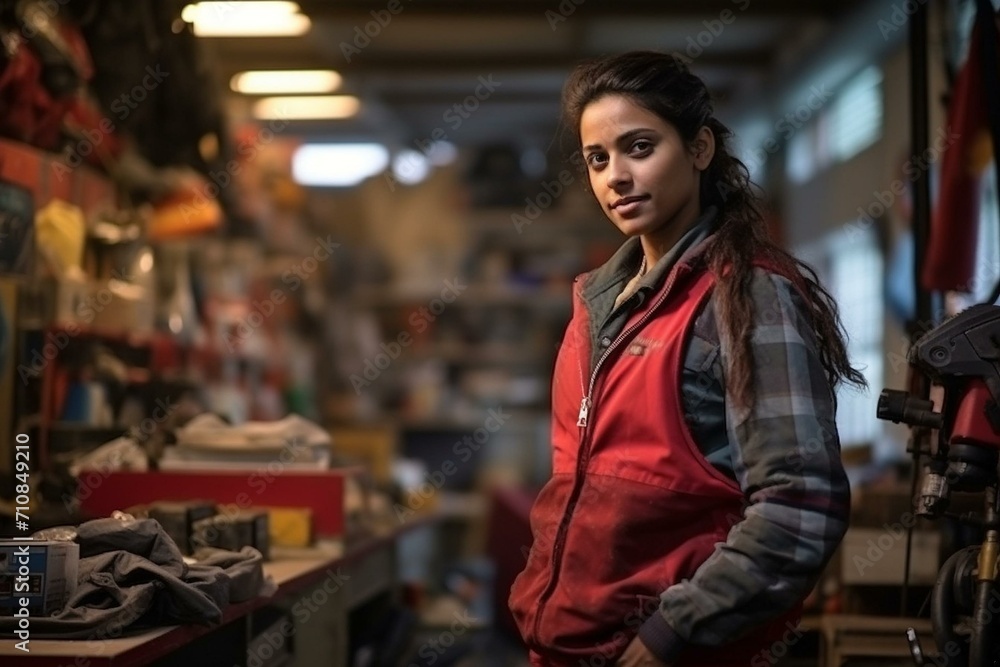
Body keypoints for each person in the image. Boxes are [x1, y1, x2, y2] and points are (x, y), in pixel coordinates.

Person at [508, 51, 865, 667]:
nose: (615, 176)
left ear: (700, 149)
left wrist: (669, 635)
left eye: (639, 147)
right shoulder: (597, 306)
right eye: (598, 158)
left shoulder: (746, 297)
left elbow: (799, 507)